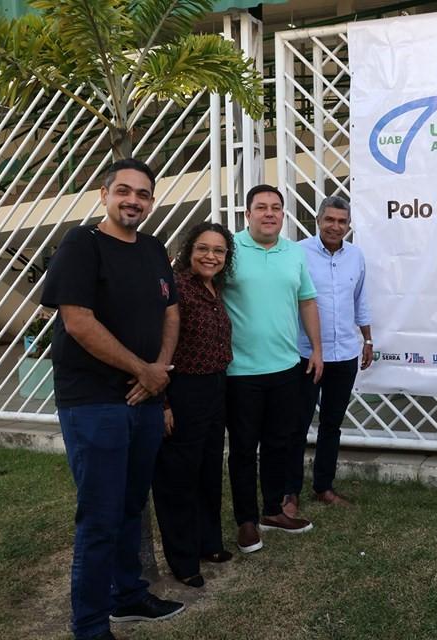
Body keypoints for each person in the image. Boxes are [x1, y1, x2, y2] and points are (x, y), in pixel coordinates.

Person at [41, 158, 184, 640]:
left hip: (144, 400)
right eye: (123, 191)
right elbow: (77, 320)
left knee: (129, 506)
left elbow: (170, 312)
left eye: (143, 194)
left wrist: (158, 372)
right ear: (104, 195)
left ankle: (127, 597)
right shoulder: (83, 244)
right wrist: (141, 370)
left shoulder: (154, 249)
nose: (133, 200)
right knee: (100, 517)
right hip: (94, 404)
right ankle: (89, 625)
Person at [223, 184, 324, 554]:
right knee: (245, 449)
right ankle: (246, 521)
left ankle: (272, 511)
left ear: (283, 214)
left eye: (276, 208)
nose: (269, 213)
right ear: (247, 213)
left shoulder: (294, 253)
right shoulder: (229, 249)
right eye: (261, 207)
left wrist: (316, 349)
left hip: (286, 367)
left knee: (279, 443)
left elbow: (308, 301)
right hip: (240, 371)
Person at [151, 222, 235, 588]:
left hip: (216, 388)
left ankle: (208, 543)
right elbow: (157, 345)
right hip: (182, 389)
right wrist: (163, 402)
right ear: (189, 250)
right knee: (178, 477)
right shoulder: (176, 288)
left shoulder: (214, 288)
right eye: (204, 248)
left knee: (208, 469)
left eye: (219, 250)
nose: (211, 256)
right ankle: (183, 559)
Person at [283, 196, 373, 517]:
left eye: (342, 221)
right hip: (305, 355)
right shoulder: (298, 254)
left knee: (332, 424)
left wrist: (367, 339)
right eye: (329, 220)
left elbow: (360, 300)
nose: (335, 226)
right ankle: (289, 492)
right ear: (318, 221)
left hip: (345, 353)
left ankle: (323, 486)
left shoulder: (356, 256)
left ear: (349, 226)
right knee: (298, 424)